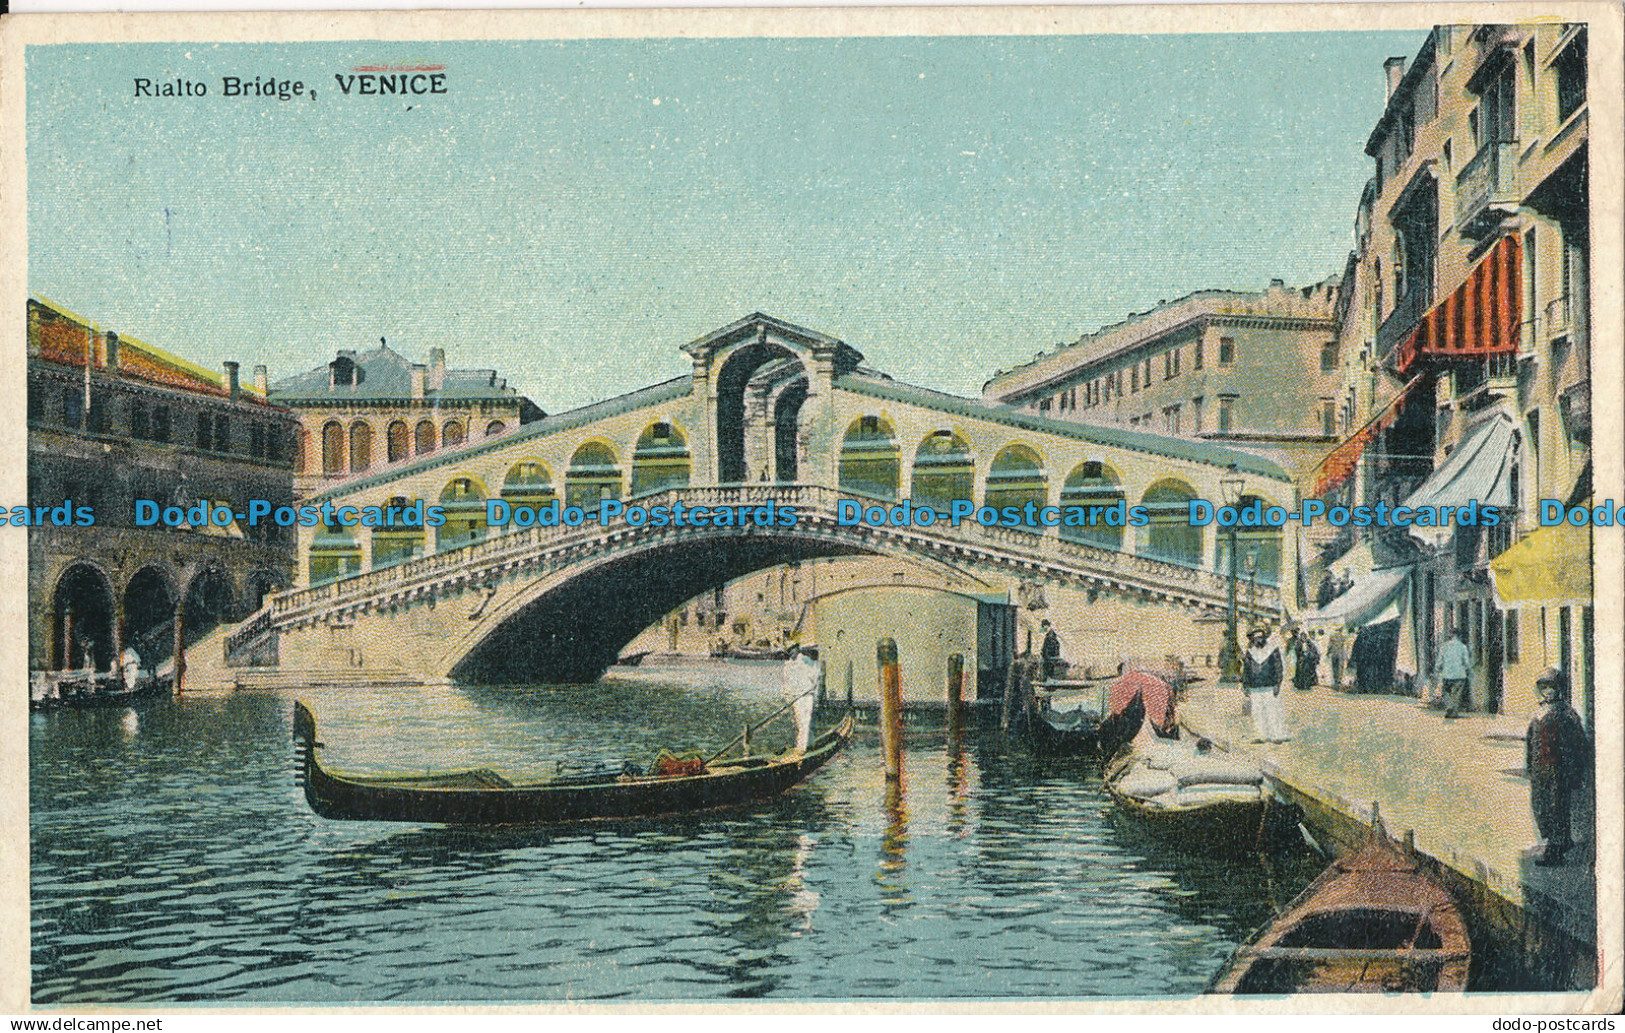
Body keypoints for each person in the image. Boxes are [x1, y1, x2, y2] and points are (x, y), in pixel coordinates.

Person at [1526, 667, 1590, 866]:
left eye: (1551, 687)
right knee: (1540, 806)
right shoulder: (1538, 712)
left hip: (1557, 769)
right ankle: (1561, 841)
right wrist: (1529, 766)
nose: (1548, 691)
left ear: (1559, 688)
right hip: (1541, 770)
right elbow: (1531, 742)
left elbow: (1579, 745)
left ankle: (1556, 850)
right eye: (1543, 687)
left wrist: (1576, 771)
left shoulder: (1566, 713)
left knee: (1557, 809)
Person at [1241, 626, 1289, 743]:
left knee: (1272, 711)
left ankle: (1276, 735)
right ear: (1252, 639)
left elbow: (1278, 668)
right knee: (1257, 712)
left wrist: (1278, 683)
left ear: (1264, 638)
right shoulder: (1250, 652)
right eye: (1255, 638)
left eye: (1260, 638)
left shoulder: (1272, 650)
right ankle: (1260, 735)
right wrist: (1245, 685)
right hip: (1255, 686)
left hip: (1270, 685)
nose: (1258, 640)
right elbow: (1246, 670)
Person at [781, 644, 821, 752]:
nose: (791, 653)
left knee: (805, 721)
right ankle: (808, 744)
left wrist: (811, 688)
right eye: (789, 651)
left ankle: (802, 748)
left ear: (797, 650)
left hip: (806, 696)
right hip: (795, 697)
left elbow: (815, 677)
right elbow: (786, 683)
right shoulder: (788, 664)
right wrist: (787, 697)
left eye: (792, 650)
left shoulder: (806, 661)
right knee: (798, 722)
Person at [1433, 628, 1472, 718]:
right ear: (1459, 636)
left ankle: (1450, 707)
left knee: (1446, 692)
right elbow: (1466, 662)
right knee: (1456, 694)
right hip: (1459, 674)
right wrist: (1467, 670)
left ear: (1451, 635)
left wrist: (1437, 669)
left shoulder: (1444, 646)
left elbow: (1439, 660)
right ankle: (1453, 711)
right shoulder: (1463, 647)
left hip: (1447, 674)